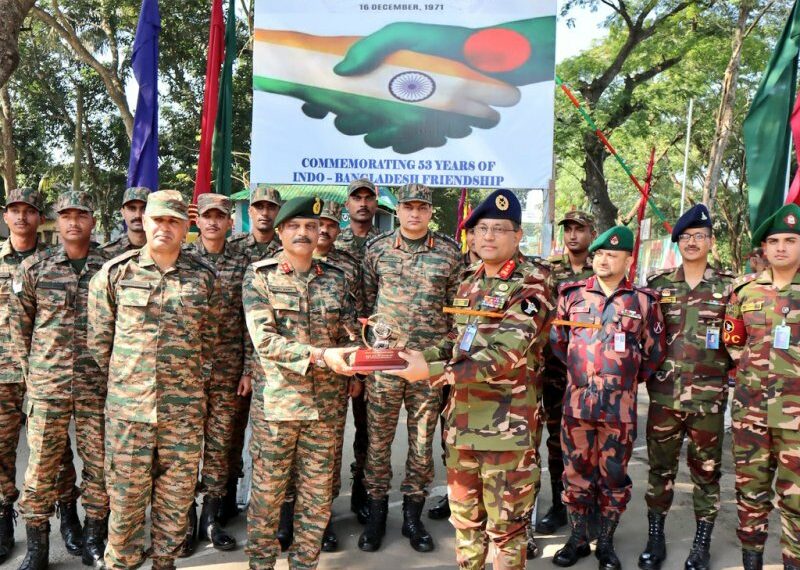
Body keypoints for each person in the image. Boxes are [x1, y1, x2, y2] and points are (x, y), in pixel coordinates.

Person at [386, 188, 553, 569]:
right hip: (461, 428)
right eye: (481, 229)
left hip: (506, 434)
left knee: (506, 532)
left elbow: (506, 353)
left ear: (517, 236)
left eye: (499, 229)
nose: (488, 236)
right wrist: (418, 356)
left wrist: (435, 372)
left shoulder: (532, 285)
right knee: (465, 525)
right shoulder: (470, 281)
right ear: (472, 237)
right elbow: (459, 340)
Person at [88, 190, 220, 570]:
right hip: (130, 416)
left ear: (186, 227)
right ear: (145, 222)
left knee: (175, 510)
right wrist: (129, 382)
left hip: (183, 417)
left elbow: (208, 342)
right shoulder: (115, 274)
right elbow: (100, 343)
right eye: (158, 219)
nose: (165, 227)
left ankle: (165, 564)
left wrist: (187, 387)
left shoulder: (204, 279)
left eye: (174, 221)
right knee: (125, 509)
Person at [242, 196, 358, 570]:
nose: (304, 233)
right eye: (294, 226)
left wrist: (371, 347)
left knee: (317, 498)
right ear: (280, 232)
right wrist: (321, 355)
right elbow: (265, 341)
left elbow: (351, 332)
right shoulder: (260, 276)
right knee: (267, 498)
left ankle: (305, 564)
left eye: (311, 226)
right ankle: (261, 564)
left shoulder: (337, 278)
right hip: (278, 407)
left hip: (325, 408)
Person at [550, 226, 666, 570]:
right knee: (575, 474)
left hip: (619, 410)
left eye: (612, 255)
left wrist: (624, 380)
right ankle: (577, 538)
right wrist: (582, 373)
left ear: (628, 259)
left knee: (614, 477)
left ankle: (605, 543)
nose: (603, 260)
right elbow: (558, 342)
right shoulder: (571, 295)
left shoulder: (643, 302)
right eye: (599, 253)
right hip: (577, 405)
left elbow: (654, 352)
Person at [359, 183, 462, 553]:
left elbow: (458, 314)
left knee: (421, 444)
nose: (414, 213)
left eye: (421, 207)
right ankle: (375, 517)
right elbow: (366, 305)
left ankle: (412, 518)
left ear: (430, 211)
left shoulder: (449, 252)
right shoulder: (377, 249)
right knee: (377, 443)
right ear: (398, 210)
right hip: (385, 364)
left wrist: (438, 355)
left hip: (426, 367)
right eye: (408, 207)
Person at [12, 191, 110, 570]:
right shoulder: (35, 268)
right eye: (66, 215)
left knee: (100, 466)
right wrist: (34, 376)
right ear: (56, 220)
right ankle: (37, 548)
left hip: (96, 387)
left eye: (81, 215)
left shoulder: (109, 268)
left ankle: (94, 540)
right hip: (48, 387)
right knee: (41, 468)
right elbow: (21, 329)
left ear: (92, 220)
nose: (73, 222)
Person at [638, 204, 734, 570]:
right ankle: (655, 537)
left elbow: (739, 340)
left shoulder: (729, 287)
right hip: (664, 397)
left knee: (706, 474)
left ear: (711, 241)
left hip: (708, 401)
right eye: (686, 236)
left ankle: (701, 544)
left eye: (700, 236)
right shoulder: (657, 285)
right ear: (677, 241)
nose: (692, 242)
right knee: (659, 471)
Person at [0, 188, 82, 564]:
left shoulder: (52, 262)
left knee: (55, 450)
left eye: (29, 211)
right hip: (5, 370)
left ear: (40, 218)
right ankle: (4, 518)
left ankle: (68, 514)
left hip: (47, 372)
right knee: (3, 449)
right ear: (5, 216)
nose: (21, 217)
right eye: (14, 210)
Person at [723, 203, 800, 570]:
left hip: (796, 420)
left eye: (790, 240)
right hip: (750, 414)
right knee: (750, 494)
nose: (781, 247)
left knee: (796, 500)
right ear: (764, 248)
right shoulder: (744, 290)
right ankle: (751, 561)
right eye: (774, 241)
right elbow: (733, 342)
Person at [178, 193, 248, 555]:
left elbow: (251, 320)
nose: (213, 222)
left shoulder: (244, 263)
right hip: (187, 371)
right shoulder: (183, 260)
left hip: (227, 369)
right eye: (207, 216)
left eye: (220, 216)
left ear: (229, 222)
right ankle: (184, 518)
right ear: (197, 220)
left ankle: (211, 518)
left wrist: (248, 368)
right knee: (186, 446)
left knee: (220, 447)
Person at [223, 185, 283, 524]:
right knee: (228, 434)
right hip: (230, 354)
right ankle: (224, 501)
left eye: (270, 207)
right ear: (249, 211)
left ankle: (267, 506)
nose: (264, 213)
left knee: (269, 437)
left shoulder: (286, 250)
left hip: (268, 360)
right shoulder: (234, 249)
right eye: (258, 207)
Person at [536, 211, 596, 540]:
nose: (573, 235)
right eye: (568, 229)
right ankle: (560, 505)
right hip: (555, 369)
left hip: (591, 369)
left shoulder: (600, 269)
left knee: (590, 440)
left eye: (579, 229)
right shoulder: (549, 271)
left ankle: (589, 505)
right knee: (556, 439)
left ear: (592, 234)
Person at [334, 178, 381, 521]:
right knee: (330, 428)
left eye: (368, 198)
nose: (362, 203)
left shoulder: (385, 243)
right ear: (347, 205)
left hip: (376, 345)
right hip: (337, 345)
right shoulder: (333, 241)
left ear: (376, 204)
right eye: (356, 198)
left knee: (368, 427)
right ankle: (322, 497)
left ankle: (362, 489)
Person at [428, 226, 480, 523]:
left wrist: (438, 368)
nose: (481, 237)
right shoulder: (461, 272)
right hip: (455, 372)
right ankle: (454, 494)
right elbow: (456, 329)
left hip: (499, 388)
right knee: (452, 438)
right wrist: (429, 357)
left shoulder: (524, 278)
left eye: (491, 229)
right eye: (475, 231)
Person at [100, 187, 149, 258]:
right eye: (132, 208)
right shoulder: (104, 252)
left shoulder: (164, 250)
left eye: (144, 208)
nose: (138, 215)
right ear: (123, 212)